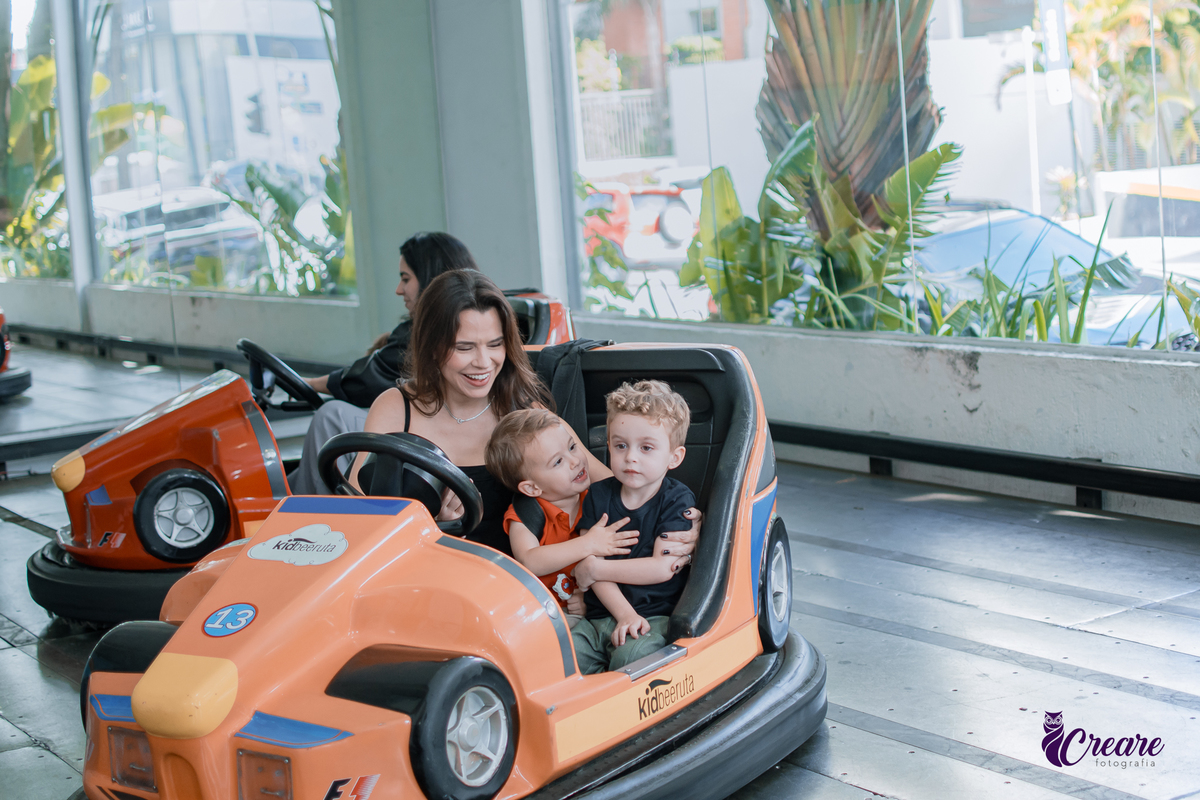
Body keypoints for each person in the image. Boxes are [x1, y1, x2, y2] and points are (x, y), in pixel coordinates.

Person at [349, 271, 703, 559]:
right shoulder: (396, 408)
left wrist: (683, 522)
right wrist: (431, 523)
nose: (483, 363)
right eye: (464, 348)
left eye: (495, 344)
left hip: (515, 592)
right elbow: (353, 515)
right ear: (431, 347)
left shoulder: (525, 413)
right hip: (420, 574)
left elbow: (619, 487)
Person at [289, 232, 477, 495]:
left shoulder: (427, 332)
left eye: (405, 279)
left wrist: (307, 383)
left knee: (331, 415)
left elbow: (365, 379)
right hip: (423, 422)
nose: (399, 289)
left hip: (433, 430)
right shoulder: (414, 334)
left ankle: (314, 514)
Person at [570, 380, 696, 674]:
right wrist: (623, 614)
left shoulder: (677, 500)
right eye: (621, 445)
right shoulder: (598, 495)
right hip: (601, 616)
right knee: (561, 660)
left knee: (631, 659)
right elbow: (587, 559)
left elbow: (662, 567)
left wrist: (597, 570)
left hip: (652, 618)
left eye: (647, 447)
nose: (631, 457)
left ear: (674, 457)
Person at [485, 408, 645, 626]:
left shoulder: (598, 500)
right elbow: (529, 561)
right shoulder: (525, 515)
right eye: (557, 462)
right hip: (548, 615)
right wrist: (588, 544)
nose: (575, 461)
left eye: (572, 447)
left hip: (600, 604)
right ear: (532, 488)